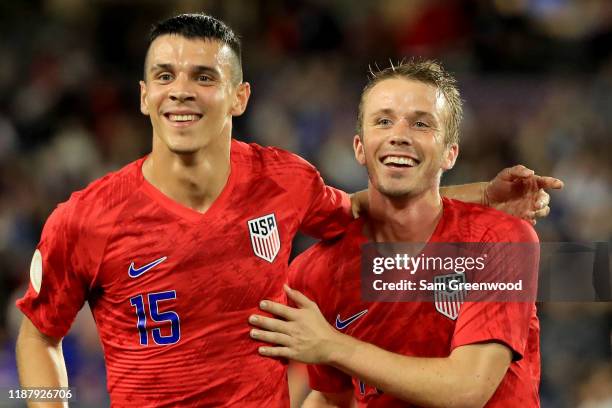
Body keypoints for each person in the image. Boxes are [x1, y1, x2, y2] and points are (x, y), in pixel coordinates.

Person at [16, 14, 558, 407]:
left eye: (204, 77)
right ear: (142, 95)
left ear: (239, 97)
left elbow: (362, 208)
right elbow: (39, 334)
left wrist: (478, 196)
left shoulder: (284, 181)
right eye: (164, 76)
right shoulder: (86, 217)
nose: (181, 92)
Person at [249, 60, 547, 407]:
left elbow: (467, 390)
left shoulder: (499, 239)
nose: (399, 135)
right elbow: (332, 397)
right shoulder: (316, 271)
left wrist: (333, 344)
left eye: (421, 124)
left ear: (450, 154)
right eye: (384, 121)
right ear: (359, 147)